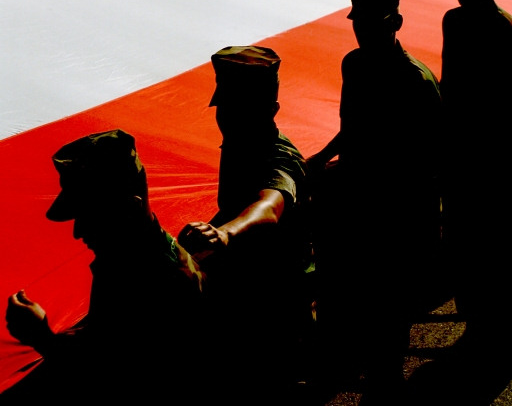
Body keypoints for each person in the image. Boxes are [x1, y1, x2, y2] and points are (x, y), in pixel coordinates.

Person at [307, 0, 443, 400]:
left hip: (395, 208)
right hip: (359, 197)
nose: (362, 29)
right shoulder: (355, 64)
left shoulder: (416, 82)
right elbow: (352, 129)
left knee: (389, 309)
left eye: (374, 20)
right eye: (358, 20)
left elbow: (429, 163)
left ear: (396, 21)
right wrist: (319, 159)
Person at [3, 129, 206, 404]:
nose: (78, 231)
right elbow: (107, 337)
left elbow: (108, 378)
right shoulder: (127, 259)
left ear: (130, 209)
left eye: (91, 216)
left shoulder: (159, 283)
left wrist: (42, 337)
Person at [177, 45, 313, 405]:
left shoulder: (278, 155)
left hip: (273, 307)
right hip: (248, 292)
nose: (228, 117)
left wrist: (225, 232)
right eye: (225, 107)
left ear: (271, 111)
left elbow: (268, 205)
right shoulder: (240, 142)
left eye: (241, 108)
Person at [440, 0, 512, 345]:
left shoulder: (508, 32)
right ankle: (481, 321)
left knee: (491, 244)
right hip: (465, 153)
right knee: (468, 240)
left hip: (492, 156)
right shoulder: (457, 21)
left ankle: (491, 325)